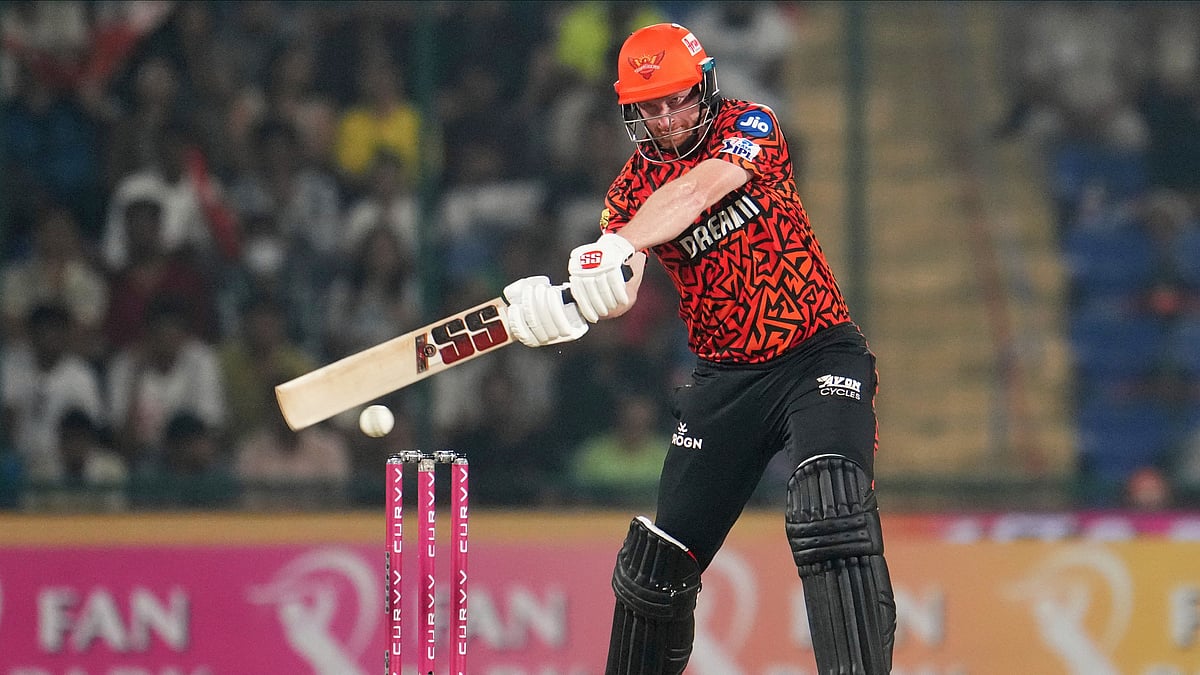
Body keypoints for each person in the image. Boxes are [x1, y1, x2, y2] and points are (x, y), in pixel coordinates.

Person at [502, 23, 896, 673]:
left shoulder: (751, 125)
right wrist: (563, 306)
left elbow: (695, 190)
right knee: (654, 570)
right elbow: (619, 289)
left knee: (830, 502)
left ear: (705, 87)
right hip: (725, 383)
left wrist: (622, 243)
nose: (667, 117)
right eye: (650, 107)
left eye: (678, 98)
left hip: (816, 353)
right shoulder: (627, 193)